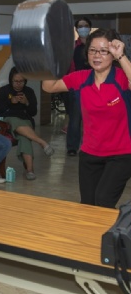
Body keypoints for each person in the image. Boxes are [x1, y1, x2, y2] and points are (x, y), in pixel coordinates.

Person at [42, 28, 131, 208]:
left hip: (121, 155)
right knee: (88, 206)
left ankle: (111, 236)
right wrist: (50, 57)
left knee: (103, 201)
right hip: (90, 153)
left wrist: (121, 56)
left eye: (104, 50)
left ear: (113, 54)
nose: (97, 55)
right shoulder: (81, 78)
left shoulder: (121, 78)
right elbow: (48, 86)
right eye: (92, 50)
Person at [0, 67, 54, 181]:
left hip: (25, 121)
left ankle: (30, 171)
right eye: (15, 81)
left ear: (25, 80)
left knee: (24, 138)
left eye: (21, 81)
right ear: (11, 80)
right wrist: (10, 102)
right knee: (14, 120)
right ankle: (41, 142)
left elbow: (33, 112)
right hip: (8, 121)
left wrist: (26, 102)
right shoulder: (4, 90)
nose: (18, 84)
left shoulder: (29, 91)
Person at [66, 17, 93, 156]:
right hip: (76, 87)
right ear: (76, 29)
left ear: (90, 28)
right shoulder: (72, 47)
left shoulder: (94, 45)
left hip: (93, 86)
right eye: (80, 26)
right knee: (75, 119)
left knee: (93, 118)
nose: (83, 28)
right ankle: (72, 147)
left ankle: (91, 146)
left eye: (86, 25)